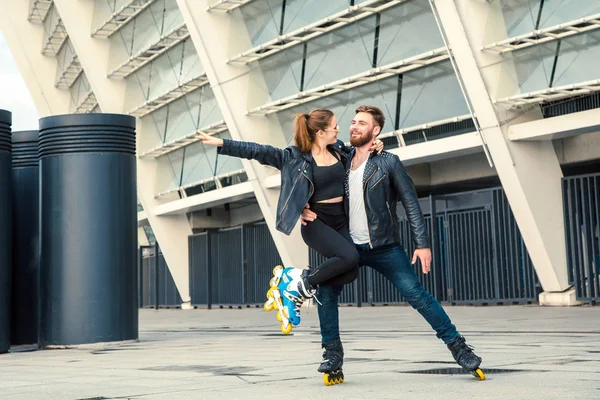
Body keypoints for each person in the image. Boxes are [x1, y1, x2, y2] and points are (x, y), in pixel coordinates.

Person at [301, 105, 484, 384]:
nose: (354, 127)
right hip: (348, 245)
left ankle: (459, 348)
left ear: (375, 131)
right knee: (327, 293)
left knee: (417, 295)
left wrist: (422, 244)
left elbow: (410, 202)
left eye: (362, 123)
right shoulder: (340, 156)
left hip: (385, 247)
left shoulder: (388, 162)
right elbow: (312, 173)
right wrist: (301, 207)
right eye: (352, 122)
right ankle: (332, 356)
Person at [198, 109, 382, 334]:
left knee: (351, 271)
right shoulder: (294, 157)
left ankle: (295, 283)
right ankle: (295, 284)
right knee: (350, 257)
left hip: (341, 220)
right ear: (321, 132)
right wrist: (223, 143)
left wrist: (376, 145)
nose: (338, 130)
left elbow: (362, 152)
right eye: (334, 126)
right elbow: (258, 151)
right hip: (316, 222)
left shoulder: (340, 150)